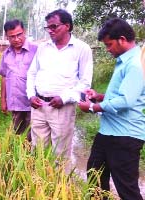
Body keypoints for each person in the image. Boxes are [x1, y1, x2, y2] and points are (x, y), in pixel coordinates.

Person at [78, 18, 145, 200]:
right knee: (95, 177)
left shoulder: (135, 64)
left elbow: (126, 101)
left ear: (122, 39)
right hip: (108, 132)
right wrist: (99, 96)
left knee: (127, 189)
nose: (107, 49)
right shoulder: (124, 61)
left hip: (125, 135)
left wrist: (93, 106)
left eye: (109, 45)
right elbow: (121, 95)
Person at [26, 9, 93, 158]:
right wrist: (31, 95)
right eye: (47, 27)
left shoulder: (82, 49)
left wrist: (64, 98)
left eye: (54, 26)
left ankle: (60, 181)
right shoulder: (43, 47)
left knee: (60, 154)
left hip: (62, 109)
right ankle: (39, 181)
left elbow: (85, 83)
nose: (50, 31)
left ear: (67, 26)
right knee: (37, 152)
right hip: (39, 106)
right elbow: (32, 73)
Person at [0, 19, 38, 140]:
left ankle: (33, 157)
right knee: (18, 135)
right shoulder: (6, 53)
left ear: (24, 32)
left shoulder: (36, 50)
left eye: (19, 35)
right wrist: (3, 100)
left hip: (33, 102)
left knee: (33, 134)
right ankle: (20, 157)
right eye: (12, 36)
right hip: (15, 102)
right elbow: (4, 76)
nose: (16, 39)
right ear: (7, 37)